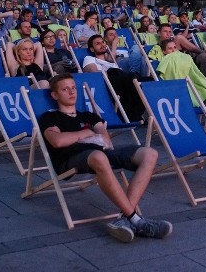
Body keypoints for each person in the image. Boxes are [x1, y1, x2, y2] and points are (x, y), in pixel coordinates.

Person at [39, 74, 171, 243]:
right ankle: (137, 220)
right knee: (99, 156)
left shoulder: (89, 116)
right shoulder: (50, 118)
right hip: (70, 159)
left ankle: (124, 219)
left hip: (101, 154)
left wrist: (77, 137)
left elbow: (105, 141)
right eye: (65, 89)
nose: (72, 92)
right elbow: (58, 141)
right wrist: (86, 133)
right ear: (55, 95)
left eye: (73, 88)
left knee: (150, 154)